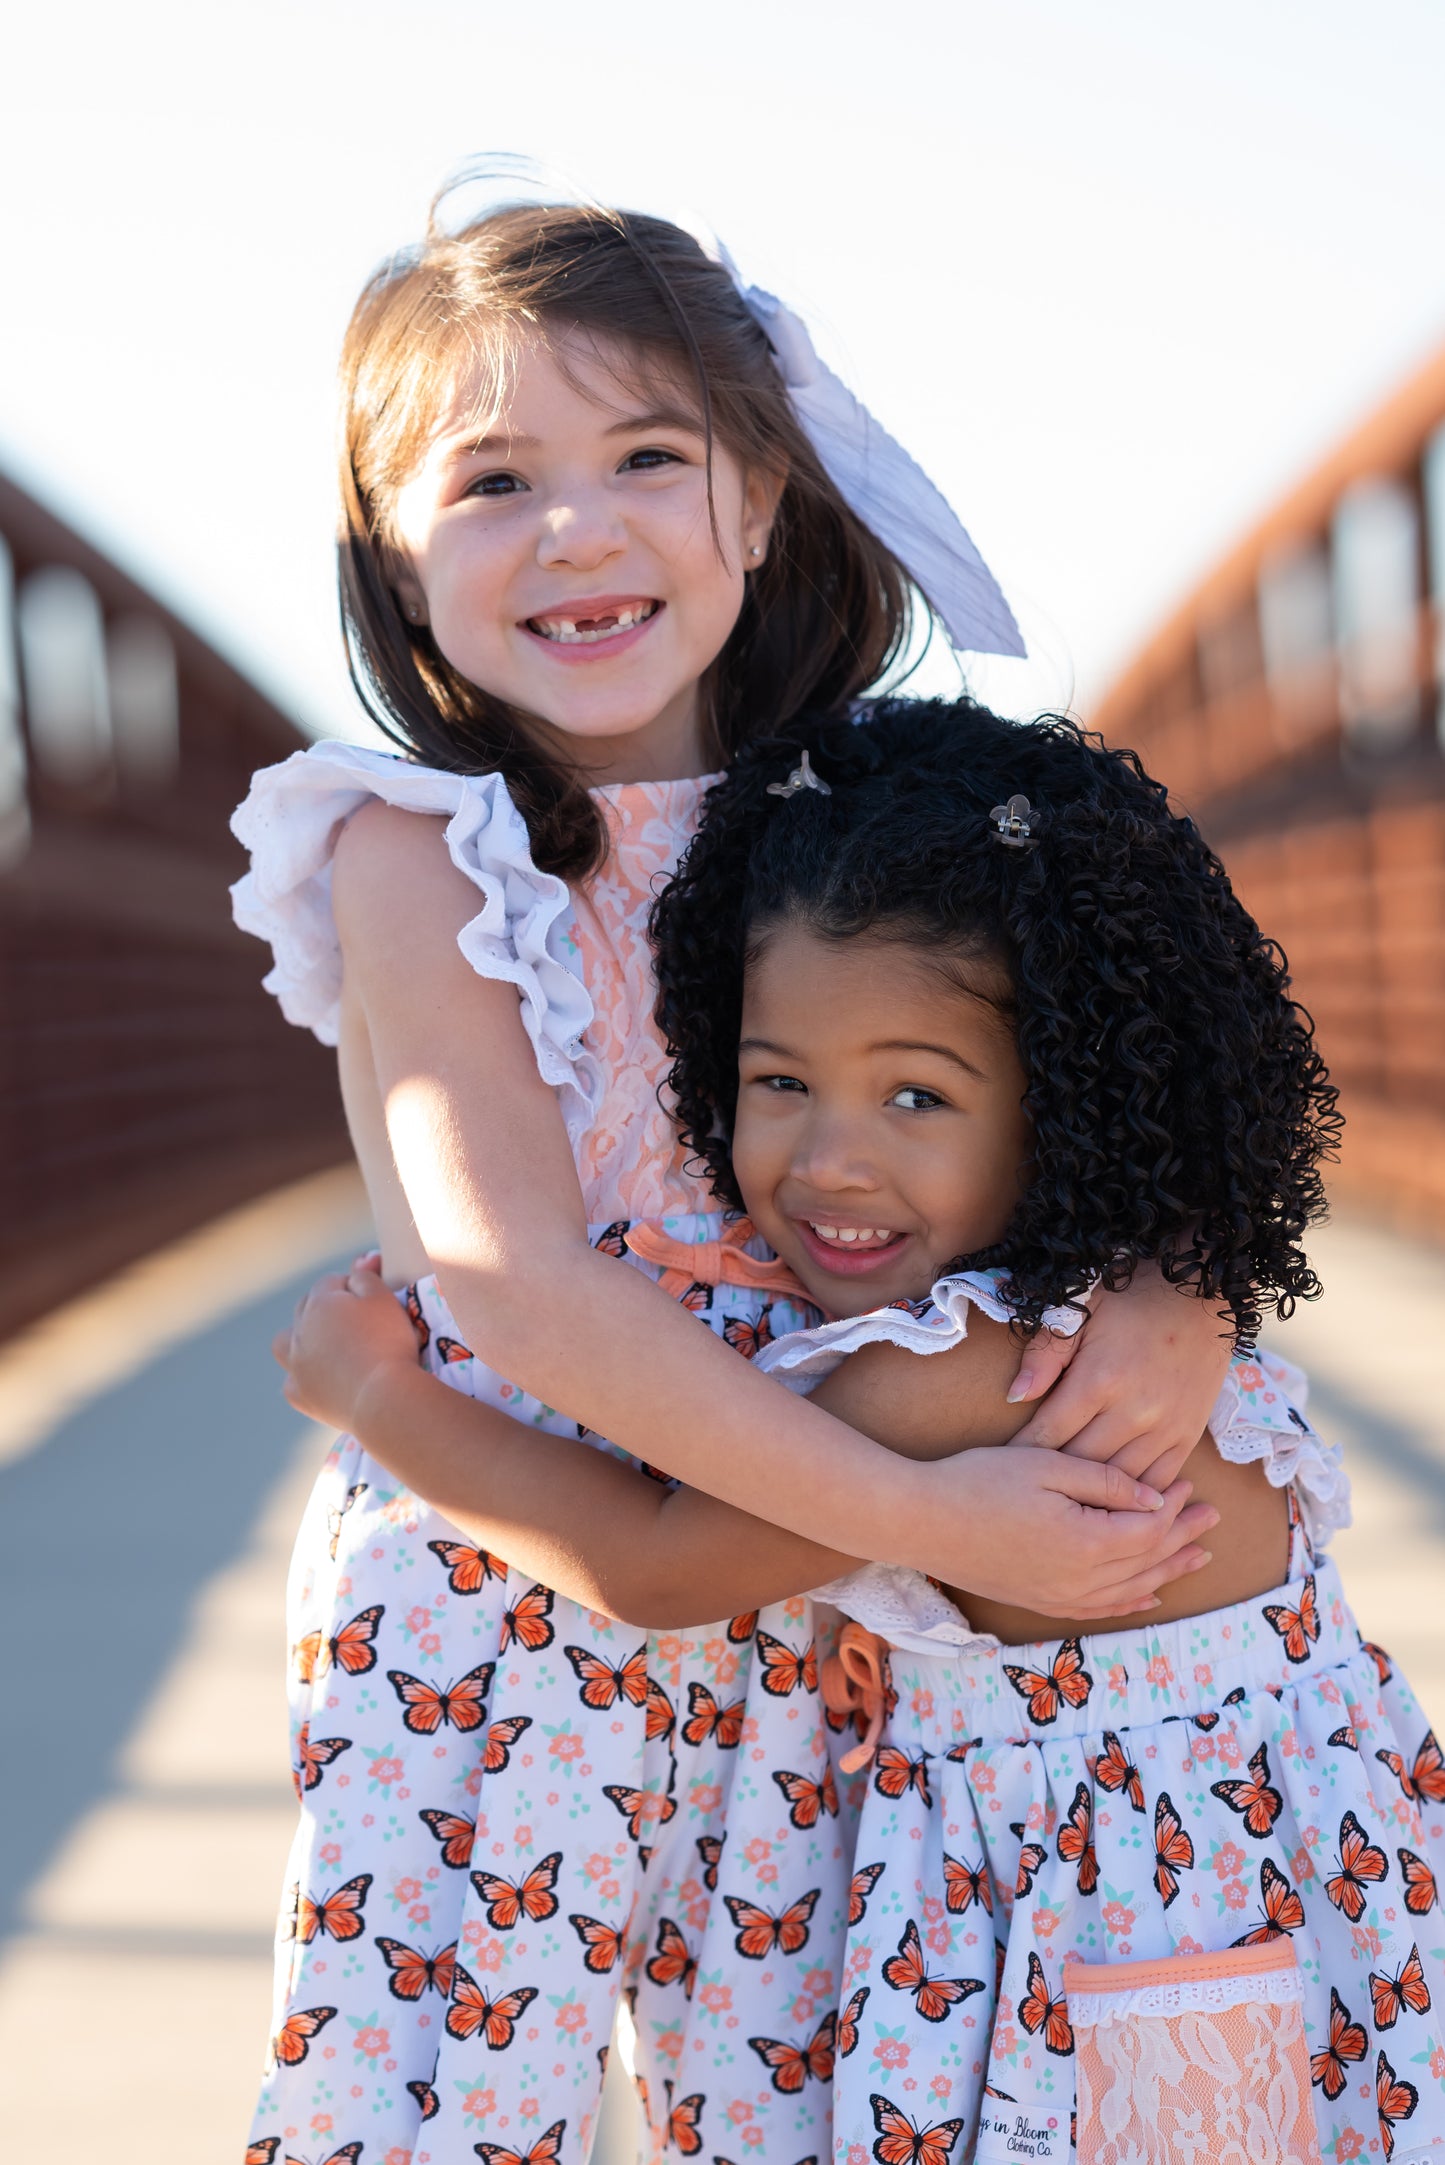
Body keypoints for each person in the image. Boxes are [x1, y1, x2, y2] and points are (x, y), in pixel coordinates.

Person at [236, 190, 1229, 2165]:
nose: (577, 527)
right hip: (506, 1590)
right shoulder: (419, 854)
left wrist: (1167, 1277)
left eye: (647, 459)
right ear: (393, 550)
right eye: (492, 480)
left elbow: (1103, 1079)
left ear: (761, 505)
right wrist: (919, 1503)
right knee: (431, 2107)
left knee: (797, 2097)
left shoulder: (879, 814)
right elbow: (511, 1273)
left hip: (815, 1598)